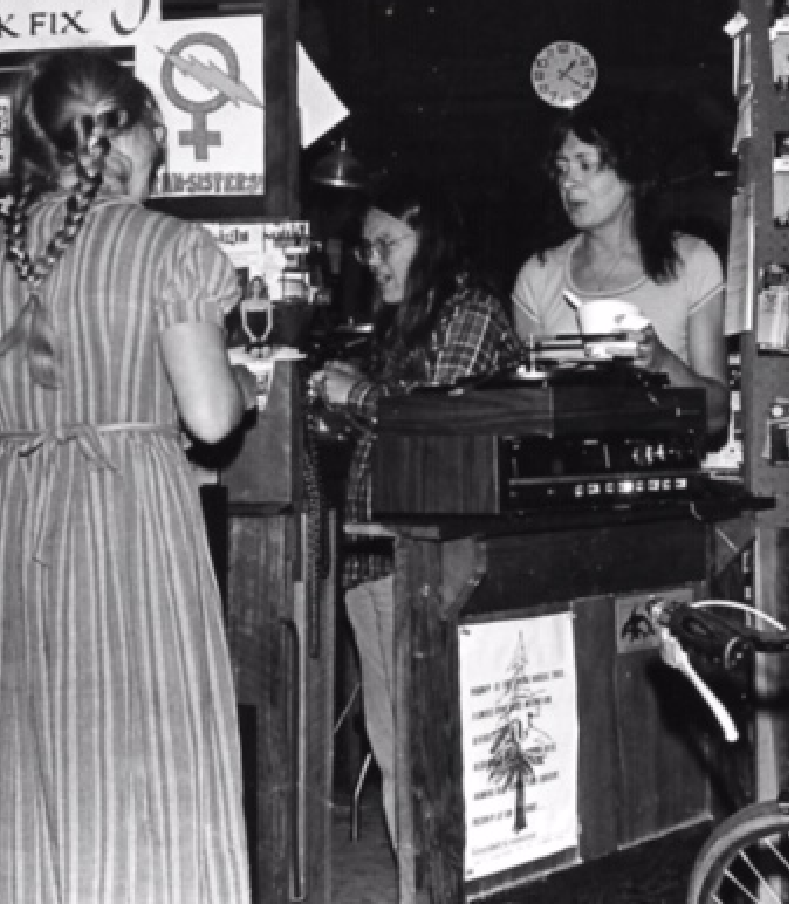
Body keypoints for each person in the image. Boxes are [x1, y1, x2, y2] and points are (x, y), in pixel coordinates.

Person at [0, 50, 256, 904]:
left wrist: (43, 418)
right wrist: (244, 380)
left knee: (20, 750)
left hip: (7, 515)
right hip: (124, 512)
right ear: (137, 134)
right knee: (140, 742)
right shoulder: (168, 247)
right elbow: (212, 418)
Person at [311, 177, 523, 849]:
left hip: (430, 564)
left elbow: (435, 418)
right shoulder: (409, 323)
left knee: (427, 747)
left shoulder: (471, 313)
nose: (371, 259)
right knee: (398, 745)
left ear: (427, 238)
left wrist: (358, 394)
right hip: (376, 560)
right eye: (366, 245)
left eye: (385, 242)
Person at [512, 102, 729, 439]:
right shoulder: (538, 276)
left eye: (585, 165)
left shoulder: (692, 261)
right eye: (562, 168)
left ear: (631, 174)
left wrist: (661, 363)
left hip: (661, 478)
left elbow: (716, 415)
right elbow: (526, 417)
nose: (569, 183)